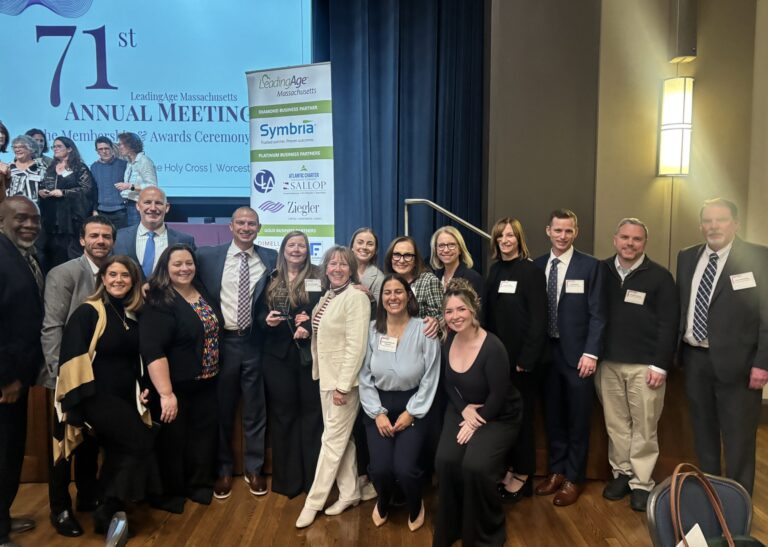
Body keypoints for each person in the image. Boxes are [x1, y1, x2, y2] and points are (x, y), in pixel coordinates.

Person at [55, 255, 156, 536]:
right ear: (103, 279)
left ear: (133, 281)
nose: (118, 280)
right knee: (138, 439)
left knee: (121, 448)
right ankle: (108, 507)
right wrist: (76, 406)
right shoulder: (88, 313)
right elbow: (71, 359)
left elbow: (136, 358)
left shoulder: (132, 314)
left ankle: (106, 502)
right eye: (112, 274)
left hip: (125, 397)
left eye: (125, 275)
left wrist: (144, 386)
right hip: (92, 397)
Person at [676, 198, 768, 494]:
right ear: (701, 225)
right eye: (708, 220)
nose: (713, 226)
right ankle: (710, 496)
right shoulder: (686, 256)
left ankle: (737, 504)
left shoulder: (759, 257)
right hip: (695, 361)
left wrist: (763, 363)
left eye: (721, 220)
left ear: (735, 224)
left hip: (740, 365)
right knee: (703, 435)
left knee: (738, 439)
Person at [40, 216, 116, 537]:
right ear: (82, 240)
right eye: (94, 235)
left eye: (106, 236)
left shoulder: (115, 272)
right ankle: (59, 508)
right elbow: (52, 327)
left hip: (99, 375)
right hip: (68, 376)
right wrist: (61, 377)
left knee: (89, 440)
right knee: (63, 445)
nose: (101, 241)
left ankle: (87, 495)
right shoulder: (64, 273)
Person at [597, 218, 679, 512]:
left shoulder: (660, 277)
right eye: (625, 237)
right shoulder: (601, 271)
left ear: (644, 243)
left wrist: (660, 364)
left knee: (645, 426)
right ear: (615, 239)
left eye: (636, 239)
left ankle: (642, 482)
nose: (630, 243)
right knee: (616, 424)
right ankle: (621, 473)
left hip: (646, 366)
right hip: (608, 363)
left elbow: (669, 324)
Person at [433, 279, 522, 547]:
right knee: (445, 461)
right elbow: (447, 383)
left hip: (498, 414)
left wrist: (474, 422)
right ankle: (452, 527)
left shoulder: (493, 347)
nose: (455, 316)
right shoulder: (448, 340)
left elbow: (498, 395)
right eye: (449, 311)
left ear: (473, 310)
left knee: (476, 466)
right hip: (463, 408)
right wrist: (464, 410)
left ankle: (485, 533)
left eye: (461, 309)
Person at [195, 207, 277, 499]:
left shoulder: (271, 258)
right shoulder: (207, 257)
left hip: (255, 342)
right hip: (222, 343)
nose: (246, 227)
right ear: (230, 227)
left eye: (251, 223)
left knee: (255, 409)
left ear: (259, 228)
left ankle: (254, 469)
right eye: (240, 223)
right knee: (223, 410)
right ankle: (223, 469)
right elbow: (180, 276)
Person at [140, 244, 222, 513]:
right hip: (175, 386)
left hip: (207, 382)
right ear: (166, 267)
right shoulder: (158, 300)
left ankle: (198, 485)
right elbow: (153, 349)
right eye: (177, 264)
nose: (184, 268)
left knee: (203, 438)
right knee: (173, 441)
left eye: (189, 263)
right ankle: (171, 493)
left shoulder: (200, 290)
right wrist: (166, 394)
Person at [295, 246, 371, 528]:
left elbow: (356, 346)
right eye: (332, 264)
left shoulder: (356, 298)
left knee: (330, 442)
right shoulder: (328, 296)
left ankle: (313, 502)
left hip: (343, 384)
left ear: (352, 269)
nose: (337, 269)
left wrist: (343, 386)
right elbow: (325, 330)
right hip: (325, 377)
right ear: (325, 268)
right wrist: (306, 325)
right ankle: (350, 493)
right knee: (341, 439)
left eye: (343, 264)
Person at [533, 208, 604, 506]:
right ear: (548, 231)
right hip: (546, 354)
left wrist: (591, 352)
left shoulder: (590, 266)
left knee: (578, 419)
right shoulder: (537, 266)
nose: (563, 236)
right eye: (558, 230)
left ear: (576, 232)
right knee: (553, 417)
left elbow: (598, 314)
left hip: (578, 357)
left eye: (568, 231)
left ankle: (574, 477)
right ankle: (557, 471)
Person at [358, 274, 440, 531]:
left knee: (404, 469)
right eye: (387, 293)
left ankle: (416, 505)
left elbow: (431, 375)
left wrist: (412, 412)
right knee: (381, 469)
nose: (393, 297)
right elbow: (364, 375)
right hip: (378, 404)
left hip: (413, 403)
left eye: (398, 292)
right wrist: (377, 413)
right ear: (381, 298)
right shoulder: (372, 330)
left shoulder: (425, 329)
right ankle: (383, 501)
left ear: (408, 296)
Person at [482, 217, 547, 503]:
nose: (505, 240)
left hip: (522, 363)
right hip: (498, 361)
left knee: (522, 420)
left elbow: (539, 319)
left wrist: (526, 359)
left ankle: (523, 473)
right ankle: (508, 468)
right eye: (500, 236)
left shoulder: (531, 271)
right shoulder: (495, 270)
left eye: (510, 235)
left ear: (519, 239)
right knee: (503, 418)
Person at [254, 231, 323, 498]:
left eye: (301, 246)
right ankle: (288, 481)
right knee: (283, 417)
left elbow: (327, 310)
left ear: (308, 250)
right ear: (283, 250)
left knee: (312, 416)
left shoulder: (319, 277)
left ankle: (313, 481)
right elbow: (258, 313)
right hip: (276, 358)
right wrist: (266, 320)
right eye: (291, 245)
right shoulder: (271, 278)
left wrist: (309, 325)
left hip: (308, 357)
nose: (296, 250)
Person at [0, 196, 44, 546]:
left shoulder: (22, 255)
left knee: (11, 451)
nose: (29, 225)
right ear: (2, 220)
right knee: (3, 453)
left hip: (19, 375)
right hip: (6, 381)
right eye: (21, 218)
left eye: (34, 219)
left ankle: (2, 516)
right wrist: (5, 378)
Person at [38, 137, 96, 269]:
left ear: (69, 149)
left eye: (59, 146)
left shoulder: (79, 167)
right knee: (54, 254)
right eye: (54, 146)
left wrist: (64, 192)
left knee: (72, 252)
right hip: (52, 217)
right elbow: (43, 184)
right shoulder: (51, 167)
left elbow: (87, 189)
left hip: (72, 218)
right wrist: (41, 191)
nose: (55, 149)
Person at [112, 186, 195, 278]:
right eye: (147, 202)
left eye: (158, 203)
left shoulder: (184, 241)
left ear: (167, 207)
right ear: (138, 206)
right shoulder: (119, 237)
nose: (153, 208)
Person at [383, 236, 441, 338]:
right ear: (390, 258)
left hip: (420, 340)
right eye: (397, 255)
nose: (401, 260)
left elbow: (441, 316)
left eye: (407, 255)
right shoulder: (386, 281)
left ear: (415, 260)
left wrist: (436, 321)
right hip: (392, 338)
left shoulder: (429, 280)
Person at [114, 132, 157, 226]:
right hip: (129, 204)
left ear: (130, 145)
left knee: (136, 233)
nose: (119, 147)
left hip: (139, 205)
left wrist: (130, 186)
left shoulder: (144, 161)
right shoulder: (129, 162)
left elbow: (153, 186)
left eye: (121, 144)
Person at [430, 226, 484, 296]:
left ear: (460, 249)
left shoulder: (473, 278)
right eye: (441, 245)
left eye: (451, 245)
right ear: (435, 250)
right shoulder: (434, 277)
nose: (446, 250)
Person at [90, 137, 128, 229]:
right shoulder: (94, 167)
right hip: (101, 212)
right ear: (97, 151)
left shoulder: (124, 164)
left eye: (106, 148)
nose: (104, 151)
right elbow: (94, 190)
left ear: (112, 148)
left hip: (121, 210)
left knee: (121, 237)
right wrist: (94, 209)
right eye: (100, 149)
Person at [6, 135, 47, 204]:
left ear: (31, 149)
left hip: (34, 208)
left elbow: (46, 188)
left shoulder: (41, 168)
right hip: (11, 208)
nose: (17, 150)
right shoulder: (8, 168)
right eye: (15, 147)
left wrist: (43, 192)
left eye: (21, 147)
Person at [350, 227, 385, 303]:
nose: (364, 247)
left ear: (375, 250)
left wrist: (370, 297)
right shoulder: (341, 270)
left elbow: (380, 308)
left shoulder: (379, 278)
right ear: (352, 246)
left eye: (370, 244)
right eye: (360, 242)